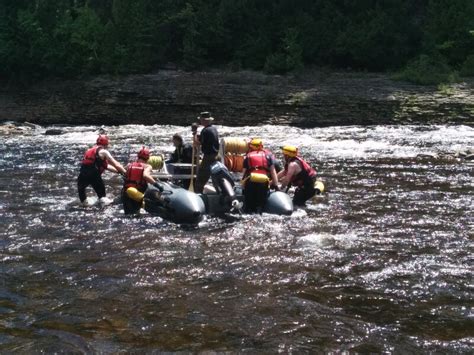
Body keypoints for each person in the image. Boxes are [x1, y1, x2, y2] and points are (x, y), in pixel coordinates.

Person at [78, 135, 126, 207]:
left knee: (82, 198)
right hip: (94, 176)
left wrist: (118, 171)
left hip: (82, 175)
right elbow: (116, 164)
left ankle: (84, 205)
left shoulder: (89, 151)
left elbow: (106, 166)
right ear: (106, 144)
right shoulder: (104, 152)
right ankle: (104, 209)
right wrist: (125, 173)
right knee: (102, 198)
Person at [241, 138, 279, 213]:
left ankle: (249, 211)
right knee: (260, 205)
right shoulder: (268, 156)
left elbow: (244, 173)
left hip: (251, 180)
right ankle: (259, 210)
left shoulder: (247, 156)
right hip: (263, 181)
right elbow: (273, 172)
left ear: (252, 147)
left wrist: (242, 186)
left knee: (249, 205)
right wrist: (276, 185)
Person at [122, 147, 161, 214]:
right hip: (137, 194)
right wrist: (157, 185)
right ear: (147, 158)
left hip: (126, 193)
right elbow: (146, 176)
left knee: (128, 214)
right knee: (137, 214)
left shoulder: (129, 165)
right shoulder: (147, 166)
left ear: (138, 157)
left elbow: (124, 173)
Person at [193, 111, 219, 193]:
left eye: (201, 120)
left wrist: (194, 132)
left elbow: (197, 143)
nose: (200, 121)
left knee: (200, 180)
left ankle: (198, 195)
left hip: (208, 157)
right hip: (217, 156)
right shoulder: (214, 129)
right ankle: (219, 193)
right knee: (215, 178)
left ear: (204, 120)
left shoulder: (205, 130)